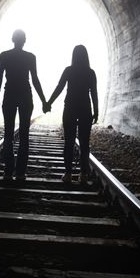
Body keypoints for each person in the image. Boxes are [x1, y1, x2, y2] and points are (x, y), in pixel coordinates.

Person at [0, 29, 48, 181]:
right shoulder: (30, 57)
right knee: (24, 135)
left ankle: (8, 171)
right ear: (24, 40)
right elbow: (35, 80)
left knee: (8, 134)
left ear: (12, 39)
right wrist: (44, 100)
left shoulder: (4, 56)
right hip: (25, 96)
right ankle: (20, 173)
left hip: (9, 95)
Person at [45, 45, 98, 184]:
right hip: (86, 109)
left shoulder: (69, 70)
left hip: (70, 108)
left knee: (69, 142)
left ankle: (68, 174)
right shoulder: (90, 73)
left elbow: (59, 87)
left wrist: (48, 102)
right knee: (85, 143)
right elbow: (94, 93)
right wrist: (96, 111)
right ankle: (84, 176)